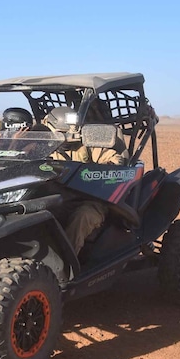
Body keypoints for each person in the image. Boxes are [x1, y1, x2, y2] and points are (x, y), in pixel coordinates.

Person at [42, 103, 130, 256]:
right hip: (57, 198)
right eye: (60, 133)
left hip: (90, 199)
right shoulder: (41, 146)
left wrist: (94, 172)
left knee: (82, 217)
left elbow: (114, 160)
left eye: (67, 133)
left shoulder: (85, 142)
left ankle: (66, 265)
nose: (65, 138)